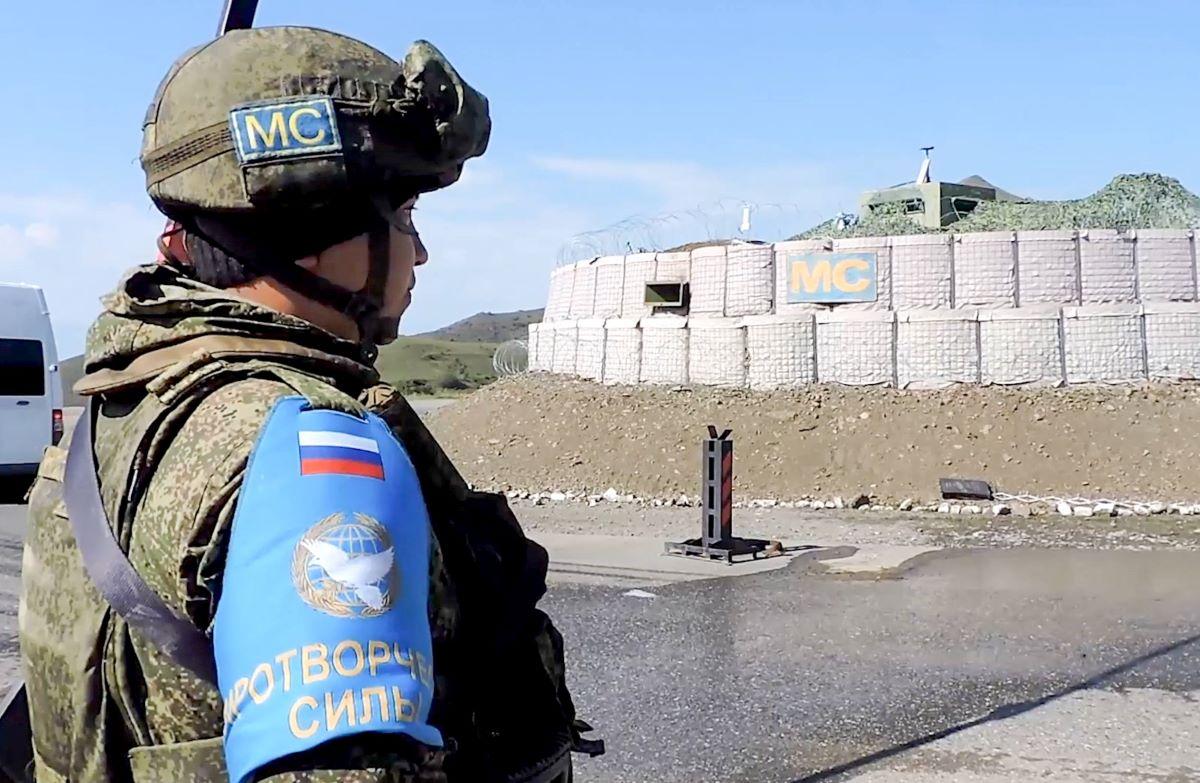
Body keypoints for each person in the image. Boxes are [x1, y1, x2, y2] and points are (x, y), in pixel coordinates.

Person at [17, 24, 598, 783]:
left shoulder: (129, 396)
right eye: (404, 217)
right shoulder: (312, 455)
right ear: (317, 234)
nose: (419, 253)